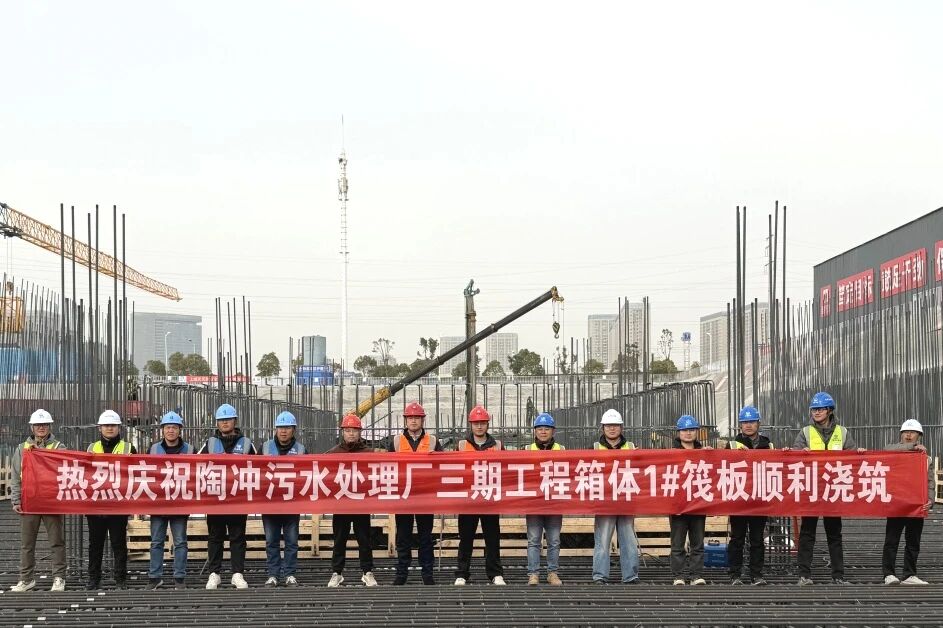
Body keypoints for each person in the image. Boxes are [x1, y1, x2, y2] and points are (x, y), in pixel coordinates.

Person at [790, 391, 865, 586]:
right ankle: (804, 575)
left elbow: (852, 459)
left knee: (834, 534)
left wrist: (859, 454)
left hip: (833, 490)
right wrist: (800, 453)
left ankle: (838, 576)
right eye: (814, 409)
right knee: (807, 534)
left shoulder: (843, 432)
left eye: (821, 409)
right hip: (812, 490)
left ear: (830, 411)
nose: (816, 412)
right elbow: (794, 458)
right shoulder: (805, 432)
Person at [198, 403, 258, 590]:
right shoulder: (209, 443)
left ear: (235, 421)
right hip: (215, 500)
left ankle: (237, 573)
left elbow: (259, 468)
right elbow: (195, 466)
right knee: (215, 536)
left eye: (228, 419)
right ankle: (214, 574)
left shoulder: (246, 443)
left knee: (237, 537)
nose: (225, 423)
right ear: (217, 423)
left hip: (238, 499)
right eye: (221, 420)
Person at [10, 409, 67, 592]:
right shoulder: (22, 448)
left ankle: (59, 578)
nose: (41, 427)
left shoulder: (59, 447)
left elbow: (65, 472)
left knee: (56, 541)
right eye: (37, 425)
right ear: (32, 427)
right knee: (27, 544)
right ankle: (26, 579)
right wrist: (16, 499)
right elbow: (16, 476)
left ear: (50, 426)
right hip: (29, 501)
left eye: (44, 425)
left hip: (51, 501)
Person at [387, 401, 442, 585]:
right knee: (403, 536)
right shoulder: (396, 441)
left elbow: (443, 466)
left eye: (417, 418)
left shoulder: (433, 441)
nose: (413, 421)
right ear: (405, 420)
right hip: (404, 495)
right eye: (410, 418)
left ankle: (427, 574)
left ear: (422, 420)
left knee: (425, 536)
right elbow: (387, 466)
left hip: (426, 496)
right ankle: (401, 573)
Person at [454, 405, 506, 586]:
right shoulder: (462, 445)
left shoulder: (497, 445)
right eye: (476, 423)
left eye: (482, 423)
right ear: (471, 425)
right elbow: (453, 469)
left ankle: (495, 573)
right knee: (465, 538)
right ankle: (462, 573)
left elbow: (506, 469)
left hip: (489, 498)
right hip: (468, 499)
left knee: (492, 538)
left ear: (487, 424)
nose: (479, 426)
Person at [86, 409, 137, 590]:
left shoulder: (128, 448)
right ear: (100, 428)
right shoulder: (91, 448)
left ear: (119, 428)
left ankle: (120, 579)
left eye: (113, 425)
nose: (110, 428)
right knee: (95, 544)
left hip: (118, 504)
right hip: (96, 505)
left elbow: (136, 474)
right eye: (106, 425)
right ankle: (94, 579)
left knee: (118, 543)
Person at [326, 413, 377, 588]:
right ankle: (337, 572)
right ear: (343, 432)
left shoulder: (369, 453)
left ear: (360, 432)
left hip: (361, 503)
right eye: (347, 430)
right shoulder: (333, 453)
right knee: (339, 539)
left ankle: (367, 571)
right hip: (341, 503)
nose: (351, 434)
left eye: (354, 430)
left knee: (364, 539)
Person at [725, 406, 773, 586]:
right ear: (740, 425)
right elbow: (721, 467)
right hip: (738, 498)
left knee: (757, 539)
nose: (748, 425)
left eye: (751, 421)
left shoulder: (768, 446)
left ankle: (756, 574)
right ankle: (735, 574)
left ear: (758, 423)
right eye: (744, 422)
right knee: (737, 538)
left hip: (759, 499)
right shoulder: (732, 445)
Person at [591, 408, 640, 585]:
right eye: (608, 425)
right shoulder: (594, 449)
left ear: (621, 427)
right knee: (603, 540)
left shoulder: (632, 448)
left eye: (615, 425)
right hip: (604, 502)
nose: (612, 428)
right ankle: (600, 575)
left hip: (626, 500)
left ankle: (630, 575)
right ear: (602, 428)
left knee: (628, 540)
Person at [882, 419, 933, 585]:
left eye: (913, 432)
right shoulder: (893, 451)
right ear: (901, 435)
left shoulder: (925, 458)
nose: (909, 435)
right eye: (905, 432)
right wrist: (912, 447)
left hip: (916, 505)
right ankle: (888, 574)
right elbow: (887, 448)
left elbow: (929, 481)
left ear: (919, 435)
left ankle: (909, 574)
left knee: (913, 541)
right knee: (892, 540)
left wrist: (930, 499)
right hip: (897, 503)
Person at [146, 411, 194, 590]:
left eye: (174, 427)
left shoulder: (190, 450)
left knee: (180, 541)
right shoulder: (153, 449)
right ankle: (155, 577)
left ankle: (179, 577)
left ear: (180, 430)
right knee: (156, 541)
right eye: (167, 427)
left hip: (180, 503)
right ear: (162, 430)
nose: (171, 430)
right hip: (158, 503)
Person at [260, 411, 306, 587]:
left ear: (293, 430)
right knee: (271, 541)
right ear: (275, 429)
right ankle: (273, 574)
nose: (283, 431)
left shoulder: (301, 450)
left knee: (291, 541)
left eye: (287, 427)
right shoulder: (265, 448)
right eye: (280, 427)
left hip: (292, 504)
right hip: (270, 503)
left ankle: (289, 574)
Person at [670, 414, 712, 586]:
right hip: (678, 505)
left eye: (691, 430)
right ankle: (678, 575)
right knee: (677, 543)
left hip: (698, 504)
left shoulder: (704, 452)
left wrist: (712, 455)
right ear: (679, 432)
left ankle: (696, 575)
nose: (688, 433)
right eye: (684, 430)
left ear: (697, 432)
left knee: (697, 542)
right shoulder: (670, 454)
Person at [526, 412, 565, 586]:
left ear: (553, 431)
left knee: (554, 540)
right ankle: (533, 574)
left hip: (555, 502)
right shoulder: (527, 450)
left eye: (547, 428)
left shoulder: (561, 450)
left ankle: (552, 573)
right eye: (540, 428)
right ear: (535, 431)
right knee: (534, 540)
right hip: (534, 502)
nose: (543, 432)